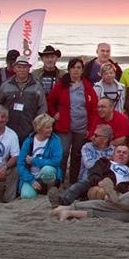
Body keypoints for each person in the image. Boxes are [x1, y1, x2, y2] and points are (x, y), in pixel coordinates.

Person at [48, 57, 99, 188]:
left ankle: (73, 181)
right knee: (63, 152)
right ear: (69, 69)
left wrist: (90, 129)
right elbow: (50, 101)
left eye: (78, 68)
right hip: (64, 126)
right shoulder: (61, 85)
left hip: (82, 127)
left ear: (82, 70)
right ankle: (59, 180)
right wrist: (54, 113)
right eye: (73, 67)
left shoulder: (87, 86)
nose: (76, 70)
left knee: (77, 154)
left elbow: (94, 109)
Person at [49, 124, 116, 205]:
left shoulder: (113, 150)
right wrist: (106, 161)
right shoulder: (87, 147)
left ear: (105, 140)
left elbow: (115, 166)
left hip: (106, 182)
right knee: (75, 188)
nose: (92, 137)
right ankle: (61, 202)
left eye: (96, 135)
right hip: (88, 180)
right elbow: (89, 165)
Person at [0, 56, 47, 144]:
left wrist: (38, 126)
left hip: (30, 130)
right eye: (19, 67)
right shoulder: (5, 85)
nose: (21, 70)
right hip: (8, 130)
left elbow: (42, 107)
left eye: (24, 67)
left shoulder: (37, 86)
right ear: (14, 68)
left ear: (29, 69)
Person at [17, 113, 63, 199]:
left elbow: (56, 161)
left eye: (51, 127)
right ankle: (36, 189)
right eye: (47, 128)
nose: (50, 130)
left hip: (47, 174)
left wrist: (34, 161)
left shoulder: (55, 140)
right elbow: (20, 164)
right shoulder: (28, 141)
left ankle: (50, 191)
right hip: (32, 176)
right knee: (26, 195)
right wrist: (31, 180)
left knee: (47, 170)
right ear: (39, 128)